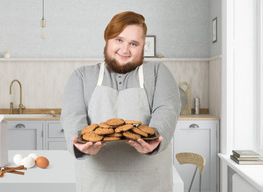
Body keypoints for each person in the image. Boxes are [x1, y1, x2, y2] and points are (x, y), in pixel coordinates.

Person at [61, 11, 181, 192]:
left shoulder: (158, 72)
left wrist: (154, 140)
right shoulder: (82, 76)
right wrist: (80, 145)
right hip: (97, 182)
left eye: (133, 43)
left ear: (143, 47)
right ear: (107, 39)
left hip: (149, 183)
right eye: (118, 40)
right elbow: (72, 115)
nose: (125, 50)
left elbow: (167, 110)